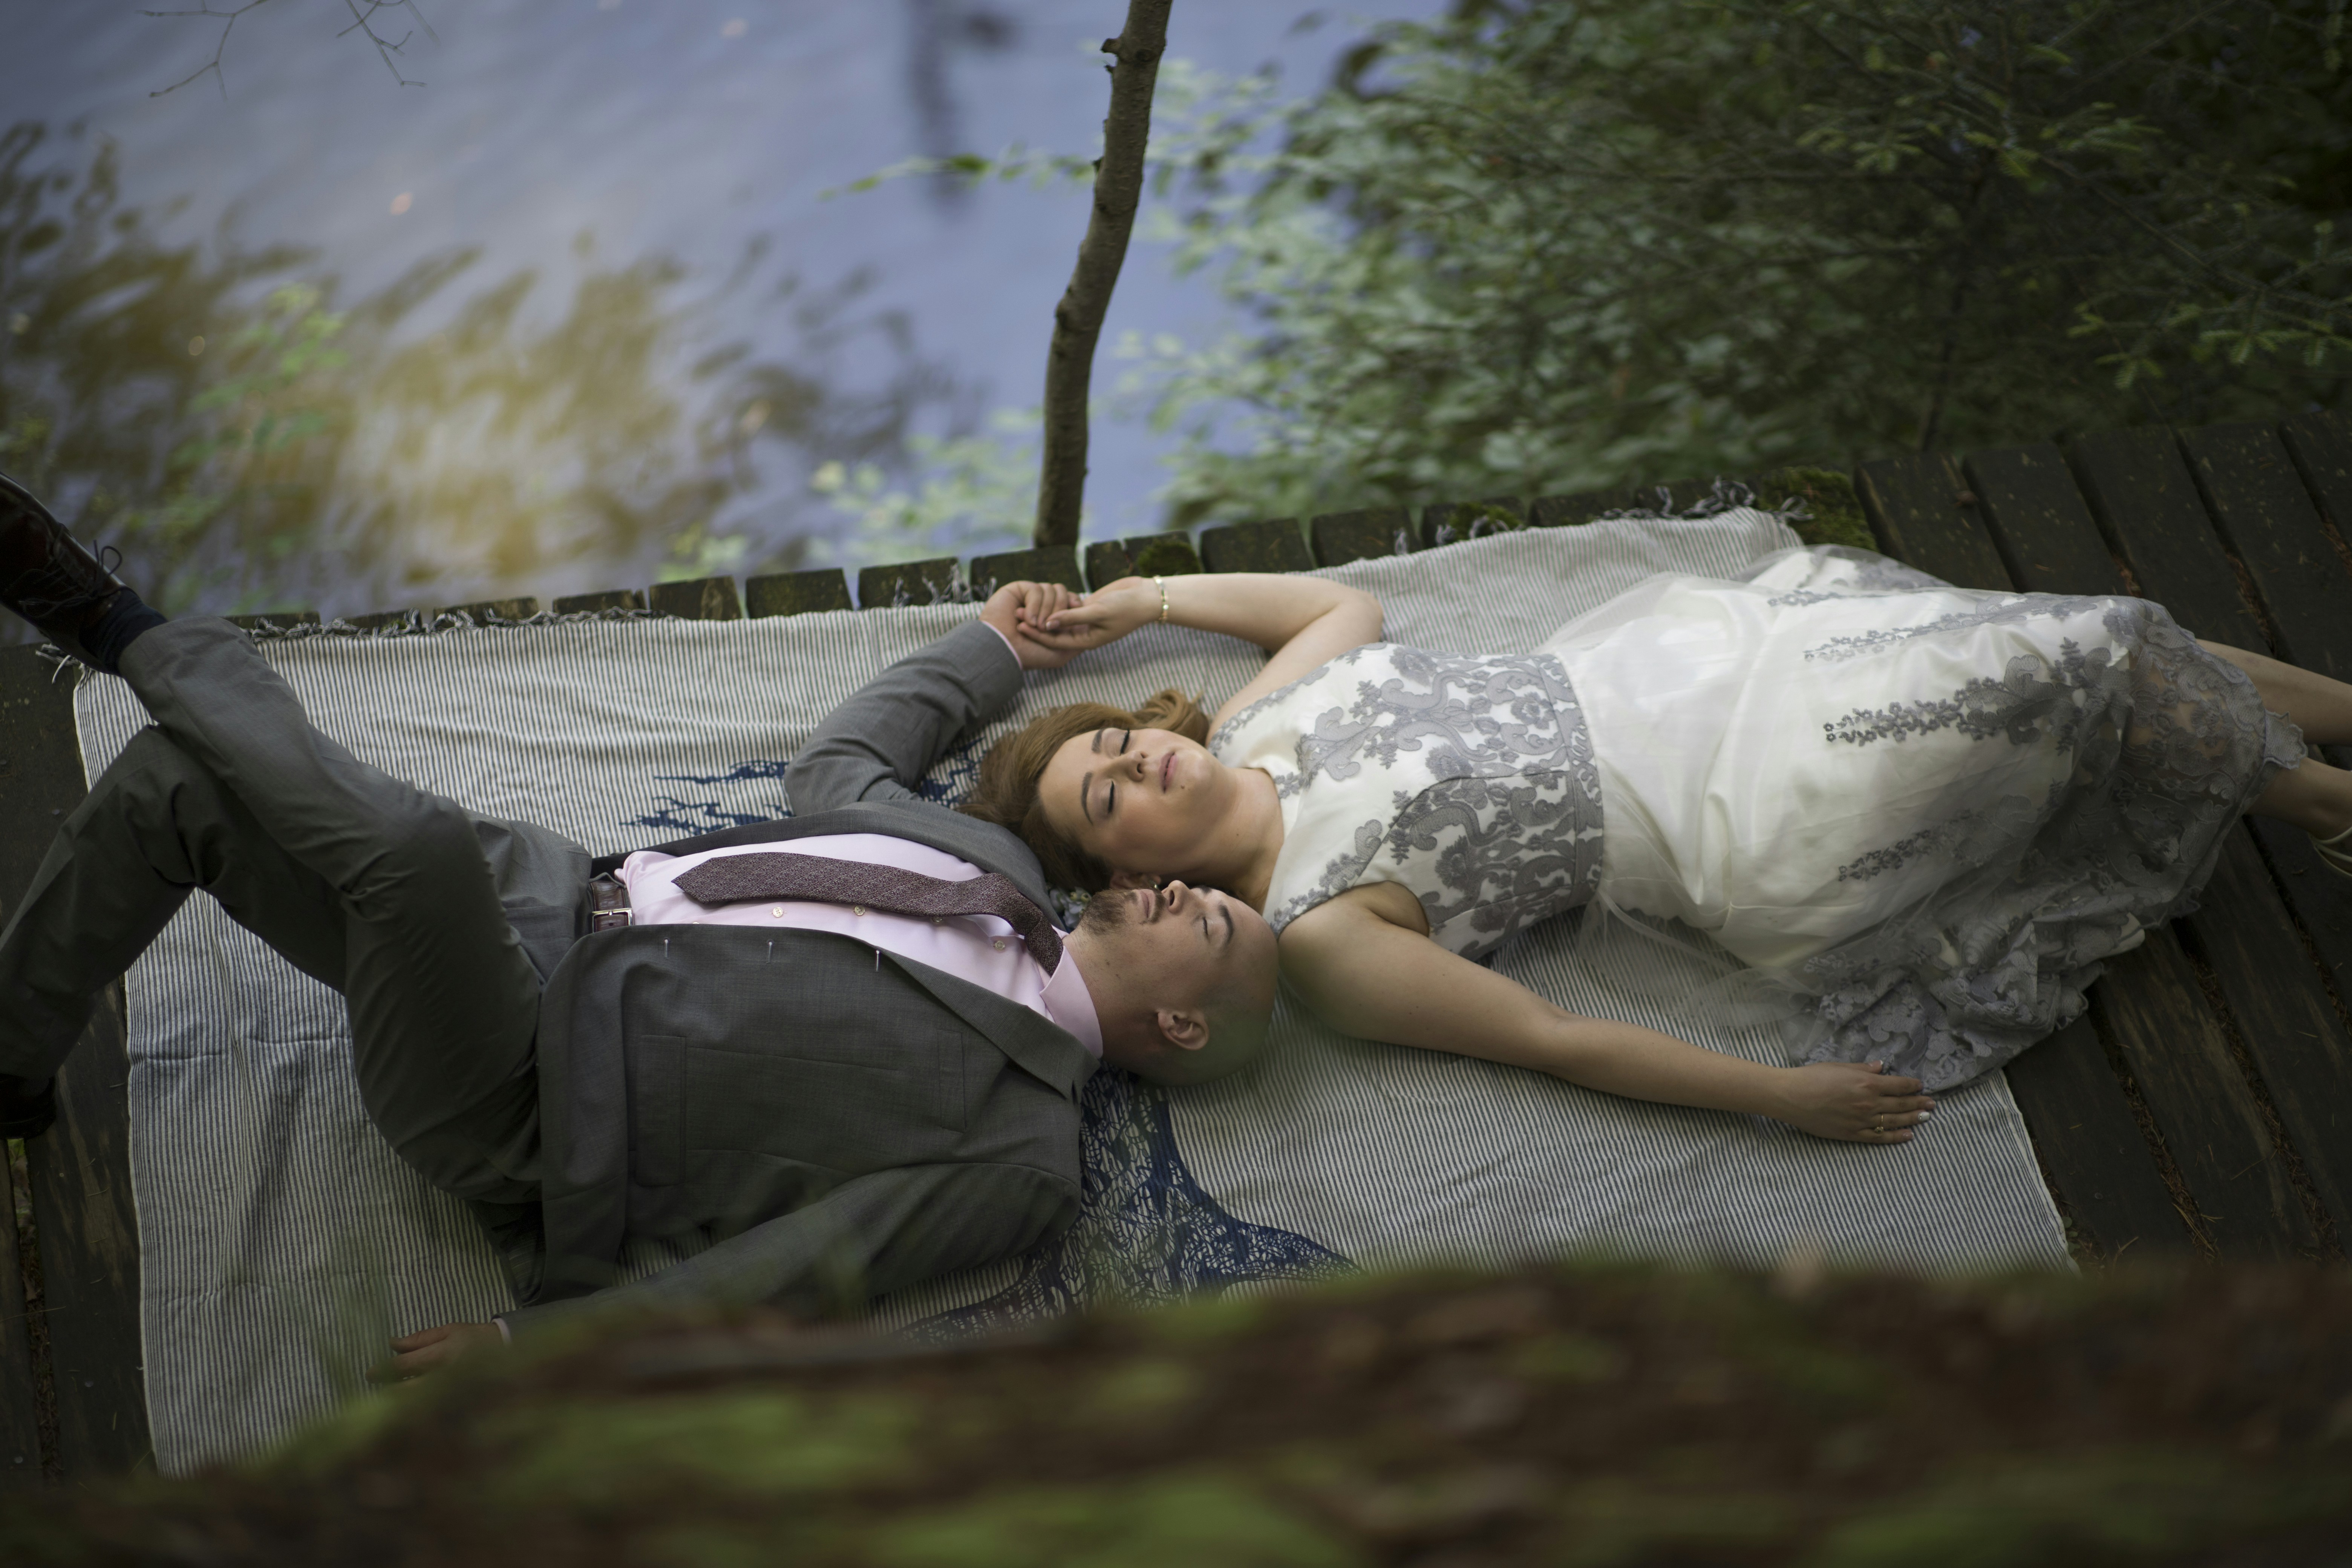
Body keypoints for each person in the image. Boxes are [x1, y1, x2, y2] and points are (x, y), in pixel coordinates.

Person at [0, 473, 1277, 1376]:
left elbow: (807, 1270)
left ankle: (125, 628)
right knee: (174, 789)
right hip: (539, 890)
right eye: (1202, 887)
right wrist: (986, 650)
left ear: (1178, 1022)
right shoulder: (990, 856)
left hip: (523, 1088)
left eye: (1211, 922)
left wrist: (538, 1349)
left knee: (414, 850)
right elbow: (838, 767)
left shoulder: (1024, 1158)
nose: (1182, 891)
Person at [959, 542, 2352, 1145]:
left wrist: (1136, 597)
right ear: (1137, 872)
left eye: (1114, 739)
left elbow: (1335, 603)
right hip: (1745, 804)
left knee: (2104, 637)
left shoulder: (1265, 719)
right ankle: (2322, 799)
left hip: (1695, 667)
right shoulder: (1324, 929)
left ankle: (2332, 754)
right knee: (2090, 653)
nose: (1139, 752)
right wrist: (1771, 1095)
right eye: (1106, 793)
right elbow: (1552, 1040)